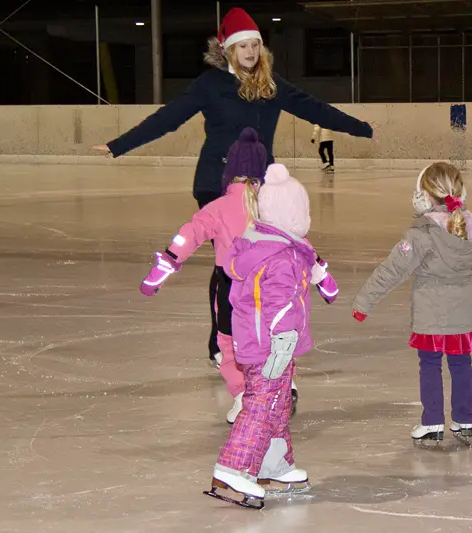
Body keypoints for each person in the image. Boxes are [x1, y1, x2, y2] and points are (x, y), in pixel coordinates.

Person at [93, 7, 373, 366]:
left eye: (256, 45)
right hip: (216, 185)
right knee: (229, 264)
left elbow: (316, 110)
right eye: (244, 46)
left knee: (262, 262)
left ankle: (257, 331)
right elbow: (168, 118)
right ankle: (222, 339)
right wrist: (119, 146)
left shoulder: (272, 86)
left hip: (261, 190)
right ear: (229, 50)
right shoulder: (210, 84)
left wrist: (362, 128)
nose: (252, 53)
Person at [139, 130, 338, 424]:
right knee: (276, 338)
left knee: (230, 344)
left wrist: (165, 264)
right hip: (272, 287)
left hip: (232, 289)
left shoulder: (217, 208)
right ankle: (285, 384)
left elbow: (188, 234)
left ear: (228, 172)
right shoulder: (269, 206)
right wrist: (322, 276)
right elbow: (299, 242)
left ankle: (241, 395)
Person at [351, 162, 472, 447]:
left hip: (430, 315)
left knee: (430, 364)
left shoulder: (421, 233)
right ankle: (464, 420)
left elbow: (392, 269)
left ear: (424, 195)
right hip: (463, 316)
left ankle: (432, 421)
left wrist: (364, 301)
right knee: (462, 364)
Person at [205, 163, 318, 509]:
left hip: (255, 343)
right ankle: (234, 466)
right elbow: (279, 304)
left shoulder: (257, 245)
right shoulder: (282, 257)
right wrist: (283, 341)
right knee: (261, 405)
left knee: (277, 404)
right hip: (272, 347)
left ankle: (274, 462)